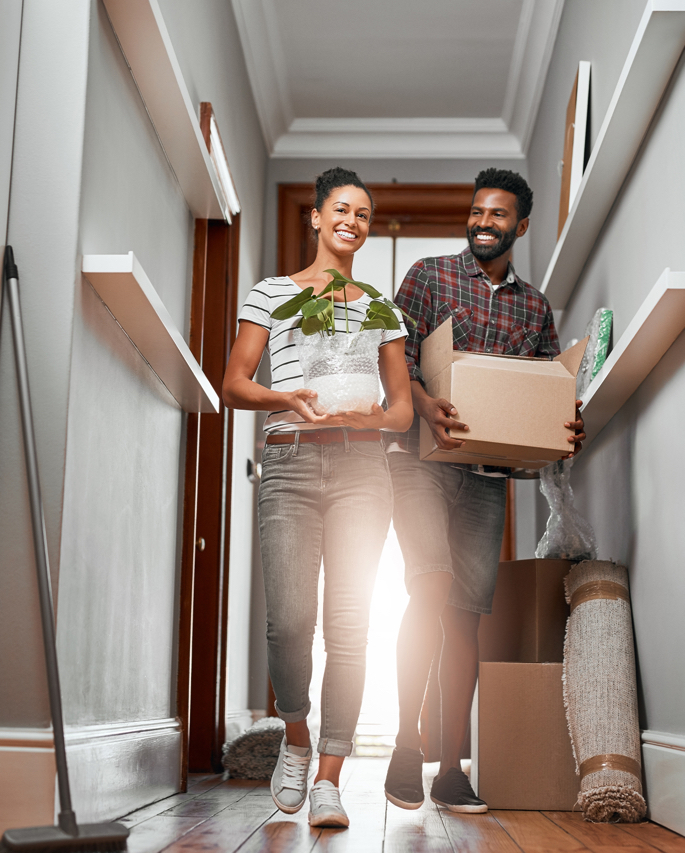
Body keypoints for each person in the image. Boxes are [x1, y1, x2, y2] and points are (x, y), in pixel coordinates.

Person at [382, 168, 586, 813]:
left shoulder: (534, 308)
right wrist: (424, 401)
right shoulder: (427, 275)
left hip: (485, 475)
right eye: (476, 212)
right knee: (430, 586)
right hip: (418, 461)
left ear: (519, 226)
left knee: (466, 615)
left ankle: (449, 769)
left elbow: (543, 388)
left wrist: (562, 424)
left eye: (497, 215)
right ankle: (404, 744)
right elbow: (393, 356)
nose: (482, 223)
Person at [223, 167, 413, 828]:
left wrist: (363, 417)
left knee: (350, 623)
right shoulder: (272, 293)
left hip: (363, 470)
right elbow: (234, 382)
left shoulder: (380, 306)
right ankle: (296, 739)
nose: (351, 221)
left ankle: (330, 777)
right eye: (340, 208)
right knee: (289, 620)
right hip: (290, 464)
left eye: (362, 212)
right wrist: (287, 397)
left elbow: (402, 412)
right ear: (315, 216)